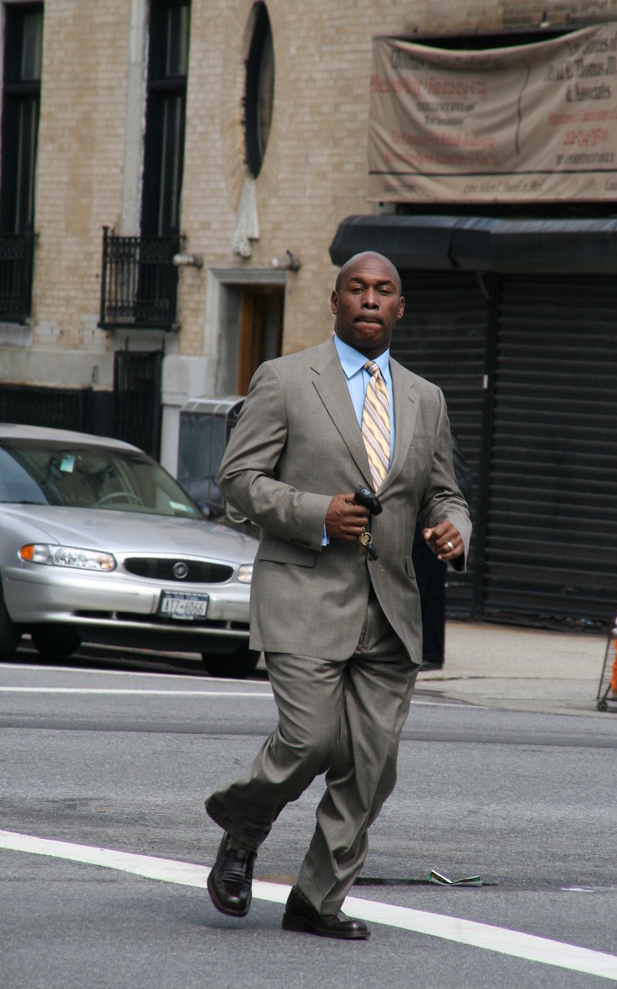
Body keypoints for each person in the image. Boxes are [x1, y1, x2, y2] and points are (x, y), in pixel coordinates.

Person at [204, 251, 471, 940]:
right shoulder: (286, 380)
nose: (371, 299)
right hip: (304, 594)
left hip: (392, 607)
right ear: (335, 299)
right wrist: (315, 512)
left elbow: (443, 492)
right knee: (310, 738)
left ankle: (316, 899)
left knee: (371, 766)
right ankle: (243, 826)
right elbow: (238, 481)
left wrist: (453, 528)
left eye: (385, 290)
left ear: (401, 307)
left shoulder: (426, 398)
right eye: (358, 288)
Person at [413, 432, 472, 671]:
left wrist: (447, 518)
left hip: (430, 516)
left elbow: (456, 480)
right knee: (424, 583)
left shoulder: (431, 424)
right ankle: (426, 650)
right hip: (425, 513)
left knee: (428, 583)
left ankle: (431, 653)